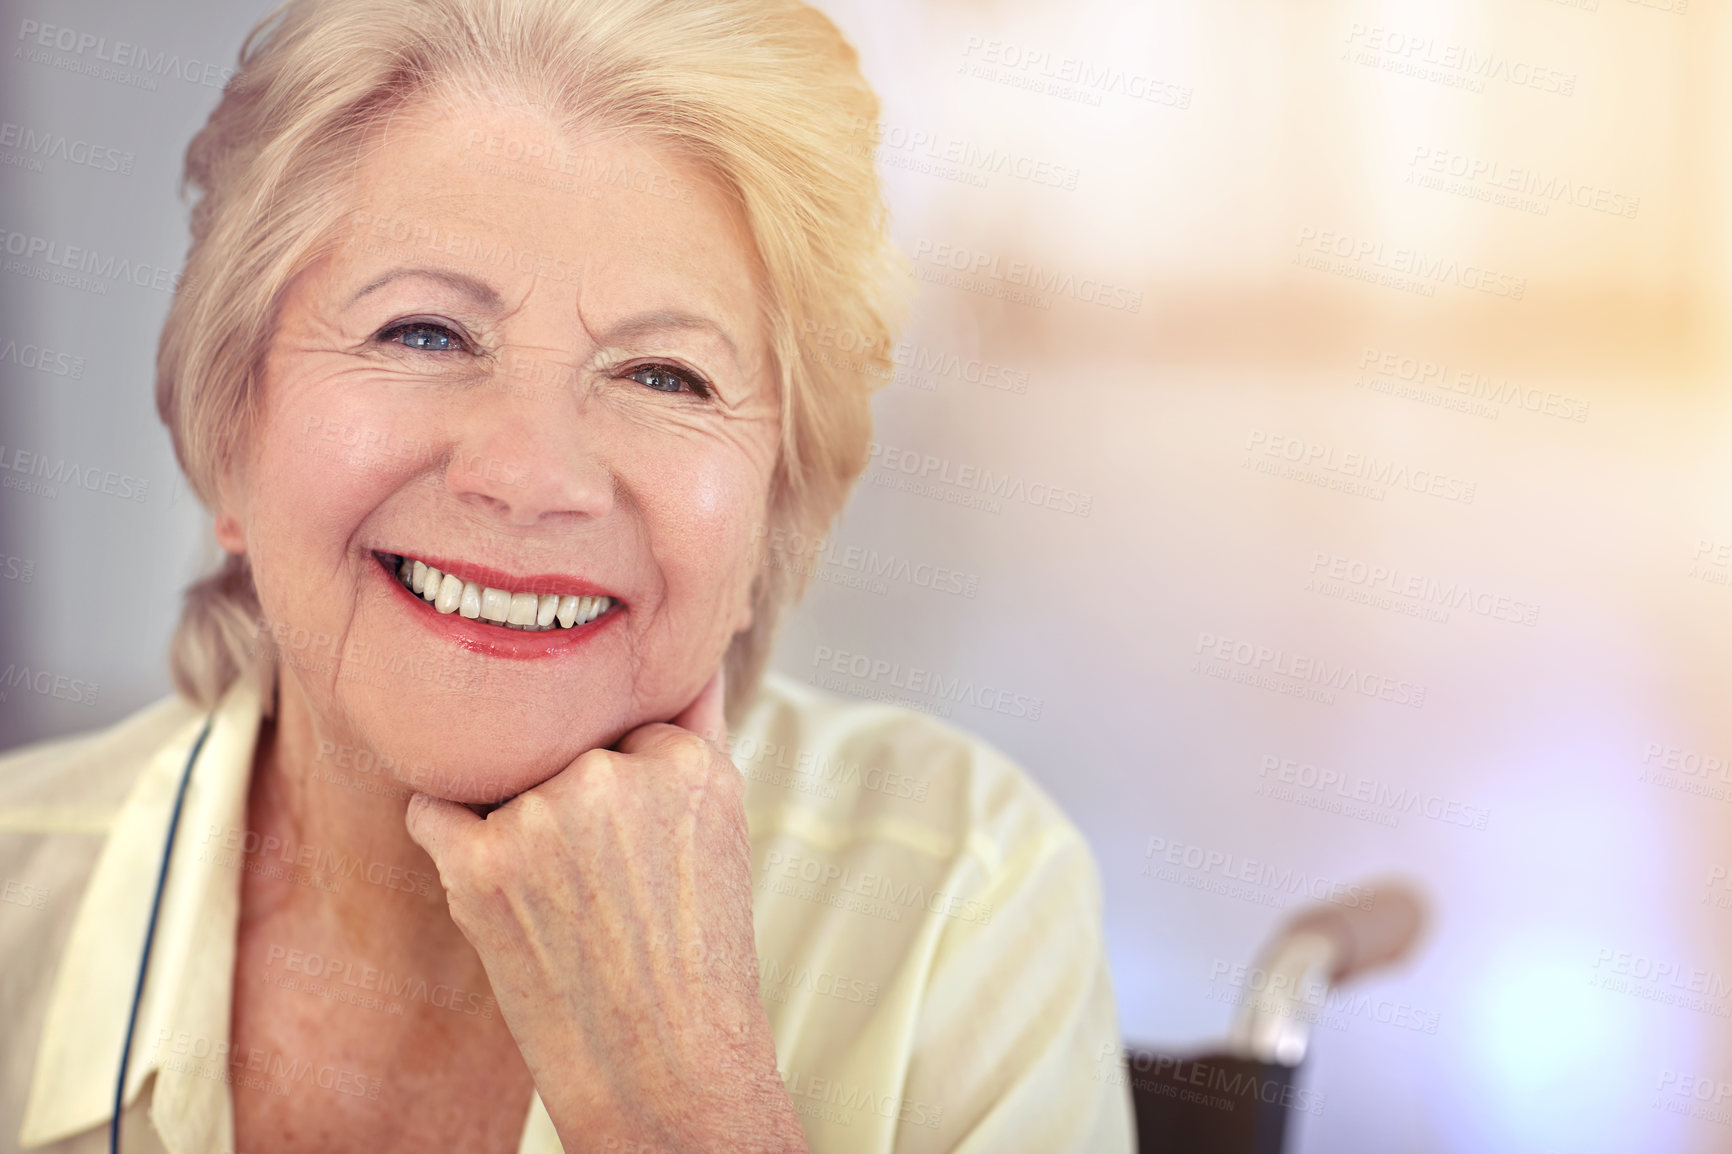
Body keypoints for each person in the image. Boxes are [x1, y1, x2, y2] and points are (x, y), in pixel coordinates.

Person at [0, 1, 1134, 1150]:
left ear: (772, 513)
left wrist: (681, 1098)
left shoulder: (962, 897)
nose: (531, 473)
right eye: (424, 332)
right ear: (229, 434)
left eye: (662, 374)